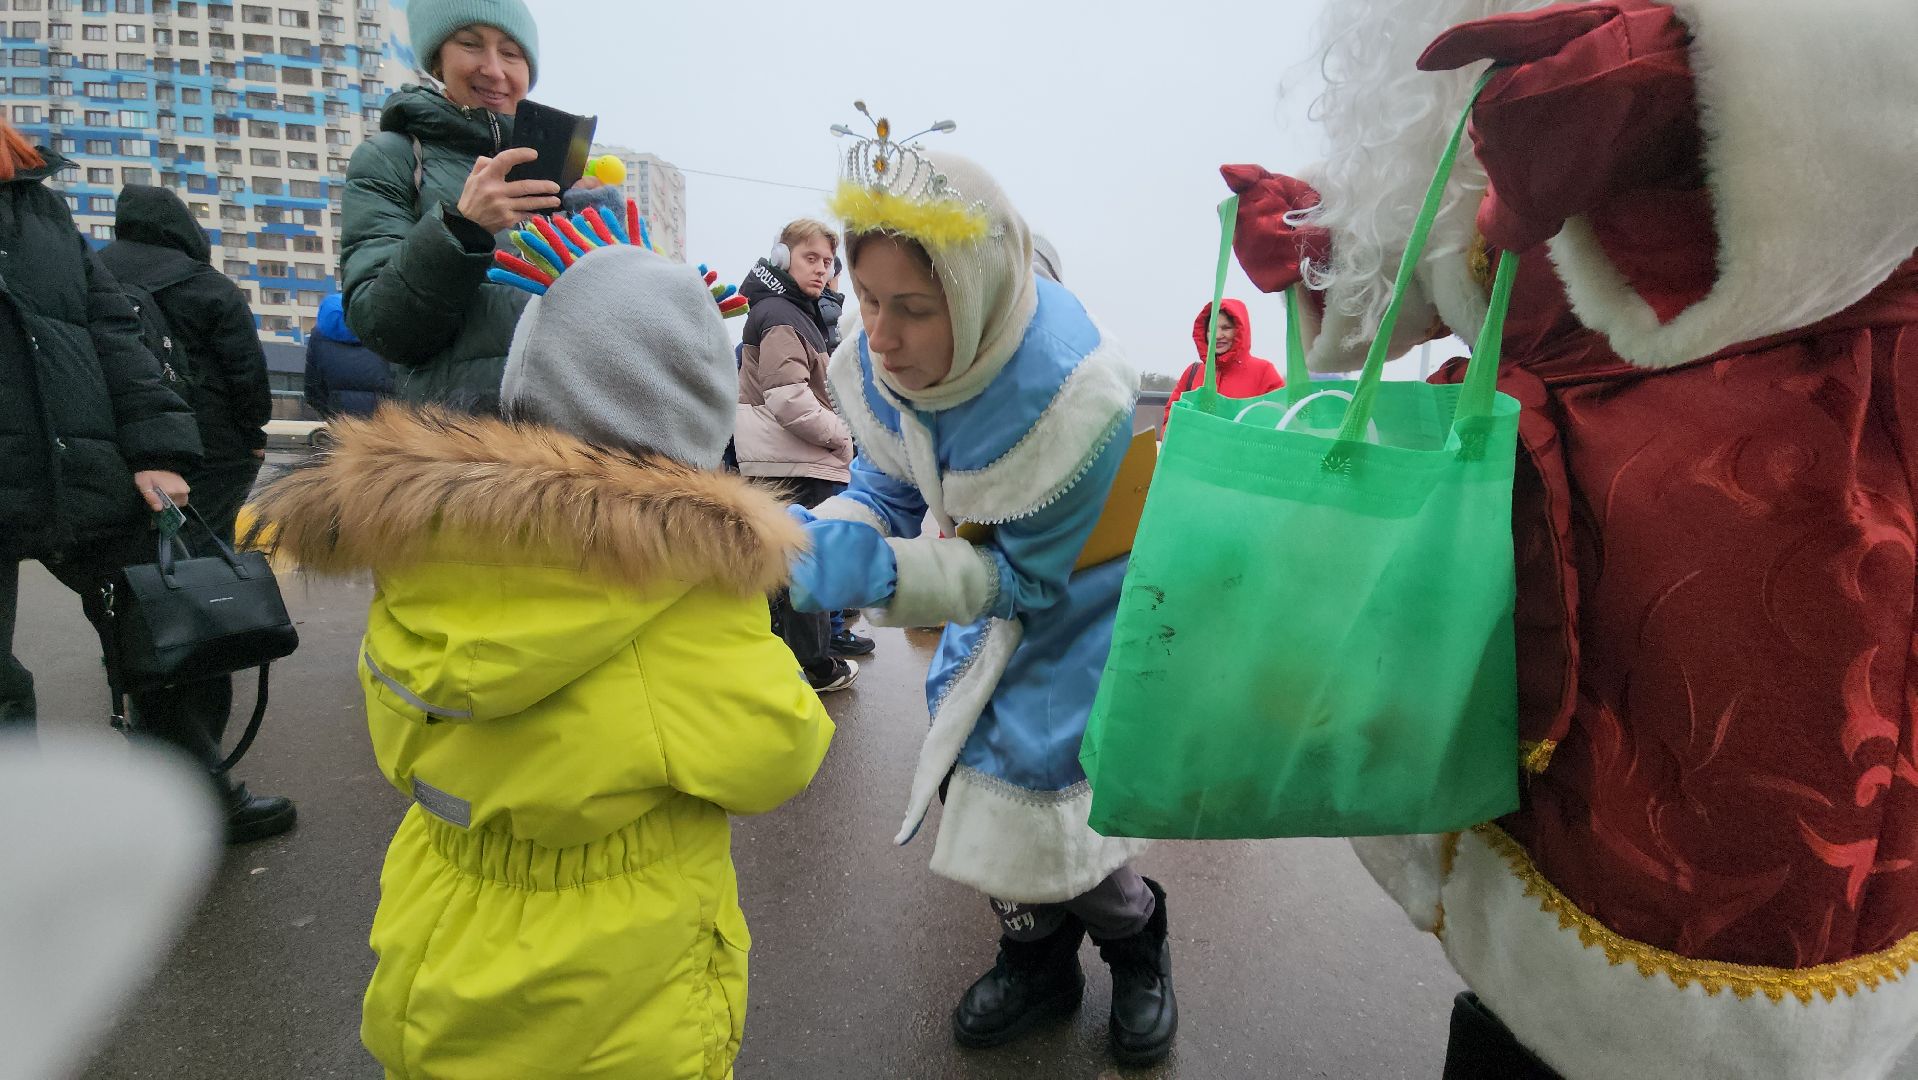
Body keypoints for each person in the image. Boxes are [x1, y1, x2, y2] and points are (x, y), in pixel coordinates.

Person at [1226, 1, 1918, 1077]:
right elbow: (1456, 270)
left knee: (1709, 947)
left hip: (1763, 555)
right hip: (1530, 558)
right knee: (1537, 916)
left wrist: (1725, 84)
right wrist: (1328, 250)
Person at [252, 221, 836, 1079]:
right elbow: (777, 754)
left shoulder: (427, 554)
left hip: (436, 951)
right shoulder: (685, 600)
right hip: (616, 1002)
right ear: (694, 417)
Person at [790, 149, 1177, 1065]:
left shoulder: (1071, 400)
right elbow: (885, 486)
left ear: (975, 299)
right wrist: (827, 535)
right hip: (976, 590)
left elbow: (1025, 580)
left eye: (913, 308)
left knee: (1051, 799)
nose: (881, 336)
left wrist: (882, 575)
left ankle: (1136, 939)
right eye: (866, 299)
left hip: (1074, 607)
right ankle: (1035, 959)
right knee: (970, 782)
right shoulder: (887, 360)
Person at [0, 121, 294, 843]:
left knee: (167, 627)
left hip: (87, 463)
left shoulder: (35, 203)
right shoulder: (204, 282)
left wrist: (156, 446)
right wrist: (246, 431)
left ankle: (190, 798)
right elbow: (245, 373)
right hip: (97, 459)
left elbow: (109, 329)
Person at [339, 0, 558, 414]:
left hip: (564, 438)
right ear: (437, 60)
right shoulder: (395, 157)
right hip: (457, 440)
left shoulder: (554, 169)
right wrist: (463, 228)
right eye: (470, 45)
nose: (494, 70)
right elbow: (384, 328)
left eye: (511, 53)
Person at [100, 184, 273, 545]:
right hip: (210, 441)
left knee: (121, 549)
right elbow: (245, 371)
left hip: (115, 438)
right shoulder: (208, 285)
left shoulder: (91, 274)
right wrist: (254, 434)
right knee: (203, 547)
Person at [735, 219, 864, 689]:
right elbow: (788, 398)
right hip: (792, 462)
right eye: (811, 258)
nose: (822, 268)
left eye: (827, 261)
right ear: (782, 256)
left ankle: (790, 665)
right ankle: (814, 667)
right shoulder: (781, 314)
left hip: (785, 459)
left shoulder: (789, 309)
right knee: (805, 570)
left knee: (784, 572)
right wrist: (844, 436)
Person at [1160, 299, 1282, 431]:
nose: (1217, 335)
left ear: (1240, 330)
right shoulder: (1192, 372)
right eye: (1211, 329)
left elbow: (1280, 421)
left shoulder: (1263, 372)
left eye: (1226, 328)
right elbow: (1170, 420)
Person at [303, 293, 393, 421]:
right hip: (385, 420)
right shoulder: (384, 333)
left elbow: (313, 389)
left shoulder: (319, 338)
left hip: (342, 422)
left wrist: (332, 417)